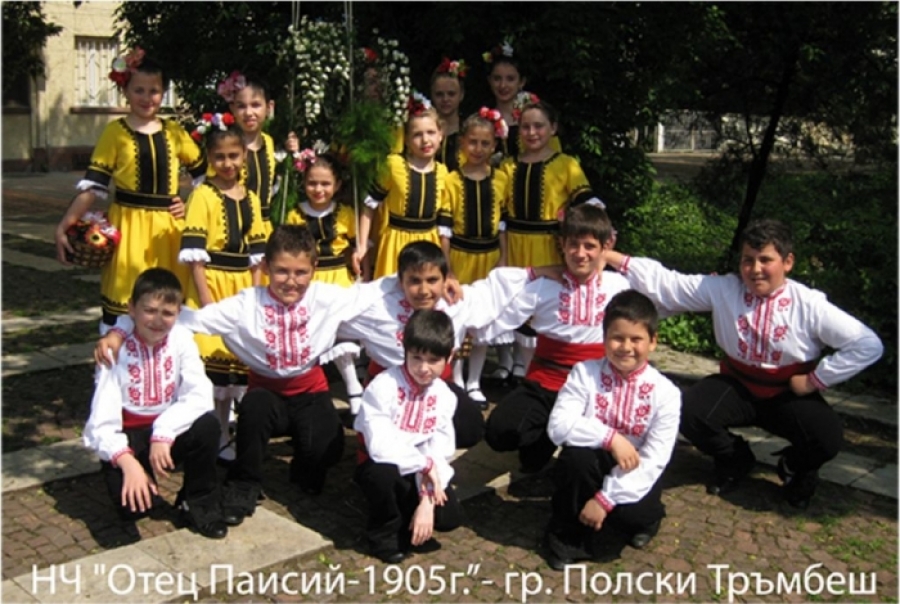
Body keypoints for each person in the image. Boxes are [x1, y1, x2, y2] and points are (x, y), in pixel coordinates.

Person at [95, 225, 385, 525]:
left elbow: (379, 291)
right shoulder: (245, 305)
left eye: (301, 272)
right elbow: (177, 316)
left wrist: (433, 294)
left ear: (314, 268)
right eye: (282, 271)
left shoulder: (327, 297)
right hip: (265, 393)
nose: (291, 281)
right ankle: (244, 483)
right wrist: (119, 330)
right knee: (255, 408)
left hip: (310, 391)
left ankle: (306, 463)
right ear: (266, 267)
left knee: (326, 449)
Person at [603, 219, 884, 508]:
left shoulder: (810, 305)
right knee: (689, 411)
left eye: (766, 260)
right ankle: (735, 458)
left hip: (787, 392)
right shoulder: (725, 289)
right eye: (748, 260)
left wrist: (815, 380)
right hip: (737, 385)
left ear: (787, 262)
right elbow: (670, 284)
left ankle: (794, 466)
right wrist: (611, 257)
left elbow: (866, 344)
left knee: (827, 438)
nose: (755, 269)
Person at [336, 240, 552, 446]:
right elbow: (328, 306)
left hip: (438, 385)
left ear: (444, 278)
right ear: (400, 280)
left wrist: (540, 272)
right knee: (385, 457)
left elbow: (496, 292)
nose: (424, 291)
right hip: (390, 387)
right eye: (414, 281)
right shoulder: (376, 304)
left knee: (471, 428)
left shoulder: (453, 301)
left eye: (432, 280)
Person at [54, 49, 207, 330]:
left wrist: (189, 205)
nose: (146, 98)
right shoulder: (115, 133)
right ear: (125, 90)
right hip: (129, 228)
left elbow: (206, 178)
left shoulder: (174, 132)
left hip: (168, 231)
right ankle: (119, 366)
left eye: (154, 91)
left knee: (169, 304)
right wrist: (66, 223)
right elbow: (93, 186)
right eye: (139, 90)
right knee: (126, 303)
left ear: (164, 93)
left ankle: (164, 369)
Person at [478, 204, 629, 473]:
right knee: (501, 432)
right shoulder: (542, 287)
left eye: (589, 246)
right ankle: (544, 438)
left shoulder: (620, 287)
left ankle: (572, 444)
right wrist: (456, 334)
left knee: (581, 464)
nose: (580, 254)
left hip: (594, 389)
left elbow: (666, 292)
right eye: (573, 244)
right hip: (546, 383)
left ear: (606, 246)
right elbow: (497, 319)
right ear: (562, 244)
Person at [83, 268, 228, 539]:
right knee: (134, 509)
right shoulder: (114, 351)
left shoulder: (181, 339)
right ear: (132, 310)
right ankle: (139, 471)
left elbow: (199, 393)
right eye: (149, 310)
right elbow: (100, 423)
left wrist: (164, 432)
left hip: (166, 432)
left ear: (178, 313)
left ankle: (198, 502)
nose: (157, 321)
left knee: (207, 425)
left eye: (167, 313)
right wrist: (128, 463)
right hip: (129, 438)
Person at [544, 290, 681, 569]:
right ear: (604, 338)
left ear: (653, 341)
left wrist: (605, 499)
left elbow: (655, 458)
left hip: (635, 470)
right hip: (592, 461)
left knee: (629, 518)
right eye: (617, 338)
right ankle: (567, 536)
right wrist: (609, 438)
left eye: (636, 339)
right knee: (575, 460)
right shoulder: (585, 373)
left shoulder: (666, 393)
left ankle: (650, 516)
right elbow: (558, 427)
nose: (626, 347)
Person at [494, 100, 605, 383]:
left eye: (539, 126)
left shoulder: (565, 164)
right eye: (526, 127)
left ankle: (534, 370)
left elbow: (584, 197)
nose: (532, 132)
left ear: (552, 128)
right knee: (514, 304)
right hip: (516, 243)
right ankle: (508, 364)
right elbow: (497, 207)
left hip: (548, 246)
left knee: (543, 308)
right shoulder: (508, 166)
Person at [180, 121, 267, 461]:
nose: (228, 163)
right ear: (210, 158)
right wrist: (206, 302)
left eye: (234, 156)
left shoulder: (252, 197)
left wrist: (257, 296)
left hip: (242, 285)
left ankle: (227, 428)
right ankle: (213, 430)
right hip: (213, 283)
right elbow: (195, 256)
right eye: (220, 157)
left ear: (244, 155)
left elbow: (258, 254)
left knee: (236, 365)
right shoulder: (202, 195)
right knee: (212, 360)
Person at [354, 309, 462, 563]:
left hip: (421, 469)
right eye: (416, 358)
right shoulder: (383, 386)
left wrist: (426, 499)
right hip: (382, 463)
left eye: (434, 360)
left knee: (449, 518)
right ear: (404, 350)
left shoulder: (445, 395)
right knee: (384, 475)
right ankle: (383, 532)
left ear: (449, 357)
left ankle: (410, 508)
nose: (423, 369)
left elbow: (441, 448)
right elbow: (380, 446)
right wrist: (424, 465)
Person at [284, 150, 366, 413]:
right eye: (312, 183)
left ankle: (353, 387)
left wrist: (357, 257)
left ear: (337, 185)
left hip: (340, 278)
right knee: (314, 332)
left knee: (341, 332)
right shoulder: (295, 214)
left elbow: (357, 245)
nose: (318, 189)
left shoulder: (345, 213)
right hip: (311, 281)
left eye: (325, 184)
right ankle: (310, 390)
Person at [440, 109, 511, 402]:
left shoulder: (501, 180)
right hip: (460, 256)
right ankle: (456, 377)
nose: (478, 149)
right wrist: (447, 268)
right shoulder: (452, 181)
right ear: (462, 145)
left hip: (489, 258)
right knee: (459, 318)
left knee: (482, 321)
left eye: (485, 143)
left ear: (493, 146)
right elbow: (444, 229)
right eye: (472, 142)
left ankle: (474, 380)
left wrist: (504, 258)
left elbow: (504, 224)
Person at [353, 102, 452, 280]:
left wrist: (446, 263)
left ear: (441, 135)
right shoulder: (394, 165)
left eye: (431, 133)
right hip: (395, 244)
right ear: (406, 139)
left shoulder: (444, 173)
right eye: (417, 135)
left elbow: (443, 226)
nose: (425, 140)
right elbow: (369, 206)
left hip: (429, 244)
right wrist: (362, 245)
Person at [219, 71, 278, 242]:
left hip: (265, 229)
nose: (249, 112)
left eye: (255, 105)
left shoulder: (270, 143)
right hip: (233, 226)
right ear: (232, 109)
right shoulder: (226, 144)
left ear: (269, 107)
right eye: (241, 106)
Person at [430, 57, 467, 172]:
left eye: (451, 94)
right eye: (439, 94)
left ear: (461, 95)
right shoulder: (425, 130)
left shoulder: (468, 129)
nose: (445, 99)